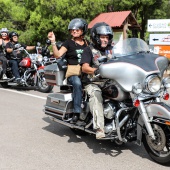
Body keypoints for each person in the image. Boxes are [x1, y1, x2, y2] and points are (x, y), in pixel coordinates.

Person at [48, 18, 88, 123]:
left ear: (83, 30)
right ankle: (76, 112)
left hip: (86, 72)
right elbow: (57, 55)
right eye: (72, 30)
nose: (74, 31)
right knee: (77, 83)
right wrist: (53, 42)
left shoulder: (87, 43)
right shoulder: (68, 43)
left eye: (77, 29)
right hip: (73, 74)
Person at [80, 22, 114, 139]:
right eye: (102, 37)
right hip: (92, 82)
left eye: (107, 37)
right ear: (96, 37)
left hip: (109, 81)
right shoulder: (89, 50)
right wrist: (95, 70)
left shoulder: (112, 50)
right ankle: (99, 128)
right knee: (96, 94)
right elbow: (84, 67)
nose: (105, 40)